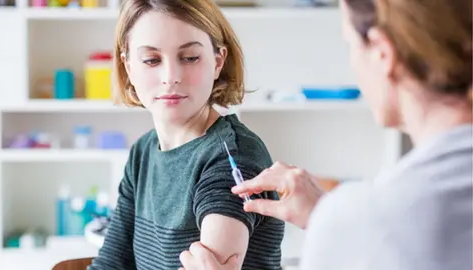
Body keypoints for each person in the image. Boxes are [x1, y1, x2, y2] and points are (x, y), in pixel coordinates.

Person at [179, 0, 473, 269]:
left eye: (350, 45)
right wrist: (327, 214)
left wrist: (339, 223)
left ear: (383, 53)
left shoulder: (372, 217)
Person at [87, 0, 285, 269]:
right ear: (128, 67)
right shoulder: (143, 151)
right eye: (151, 60)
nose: (171, 76)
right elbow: (111, 263)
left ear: (218, 61)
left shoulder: (232, 158)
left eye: (190, 57)